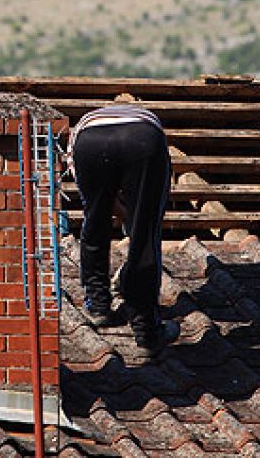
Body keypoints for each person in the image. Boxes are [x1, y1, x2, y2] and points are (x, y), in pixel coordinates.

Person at [69, 98, 178, 356]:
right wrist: (134, 219)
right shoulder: (148, 123)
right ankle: (146, 329)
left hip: (89, 142)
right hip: (142, 140)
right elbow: (146, 210)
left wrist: (115, 209)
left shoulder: (86, 122)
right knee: (145, 234)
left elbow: (96, 204)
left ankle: (97, 305)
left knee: (94, 222)